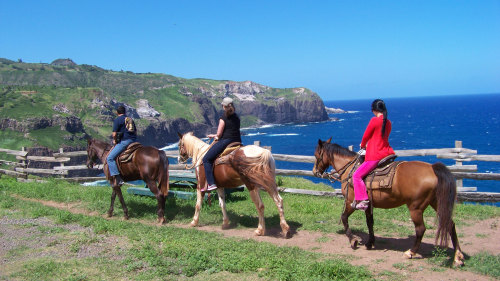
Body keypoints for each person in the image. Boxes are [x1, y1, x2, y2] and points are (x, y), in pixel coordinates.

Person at [351, 99, 395, 210]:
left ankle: (363, 200)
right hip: (387, 153)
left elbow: (366, 136)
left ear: (374, 110)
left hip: (375, 155)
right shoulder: (388, 122)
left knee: (356, 176)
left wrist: (362, 145)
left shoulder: (374, 120)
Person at [202, 97, 242, 191]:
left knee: (206, 159)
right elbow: (231, 130)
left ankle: (211, 183)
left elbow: (219, 135)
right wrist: (215, 135)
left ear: (224, 106)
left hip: (226, 141)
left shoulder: (223, 118)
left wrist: (215, 136)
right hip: (237, 141)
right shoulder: (236, 117)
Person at [107, 105, 137, 186]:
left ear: (117, 112)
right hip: (134, 141)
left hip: (125, 141)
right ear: (125, 112)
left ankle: (118, 178)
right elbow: (135, 132)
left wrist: (115, 140)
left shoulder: (118, 120)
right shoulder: (130, 119)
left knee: (109, 158)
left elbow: (114, 134)